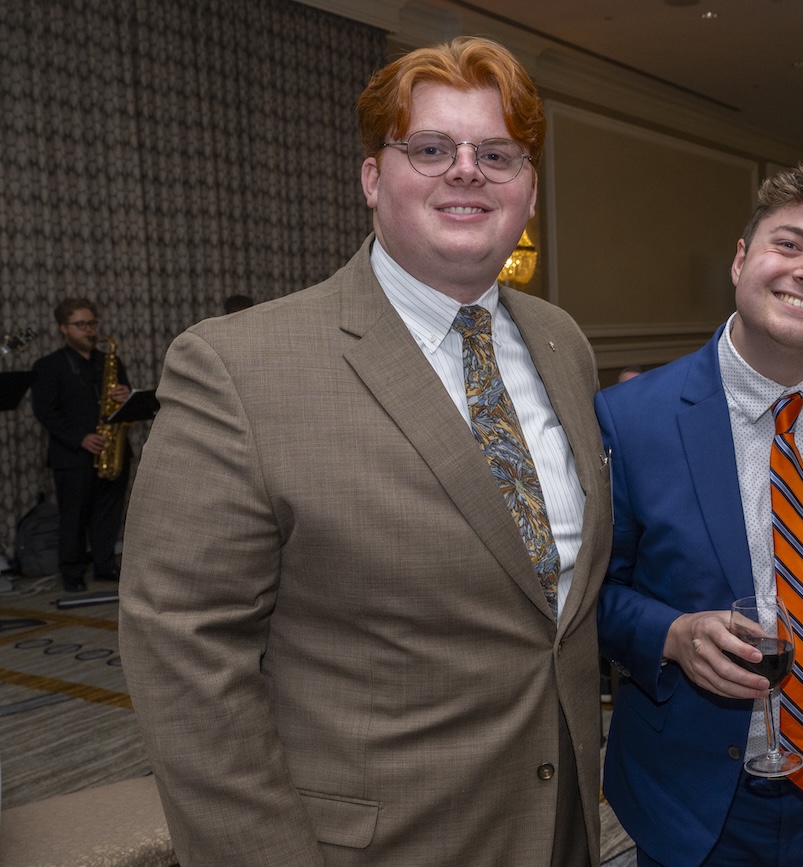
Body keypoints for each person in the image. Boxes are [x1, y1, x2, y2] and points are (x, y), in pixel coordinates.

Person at [118, 37, 612, 866]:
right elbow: (185, 659)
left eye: (497, 154)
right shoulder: (238, 366)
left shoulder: (562, 343)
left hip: (560, 823)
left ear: (528, 190)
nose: (467, 171)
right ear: (373, 179)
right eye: (430, 148)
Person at [598, 164, 803, 866]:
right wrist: (671, 633)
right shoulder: (631, 419)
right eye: (789, 245)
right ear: (742, 261)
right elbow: (589, 596)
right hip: (698, 799)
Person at [29, 298, 131, 591]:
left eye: (92, 323)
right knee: (74, 517)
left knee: (108, 514)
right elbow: (45, 412)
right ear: (64, 328)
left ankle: (104, 565)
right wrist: (81, 438)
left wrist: (126, 396)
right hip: (73, 455)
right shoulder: (48, 366)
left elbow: (122, 408)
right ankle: (72, 572)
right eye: (81, 324)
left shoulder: (109, 361)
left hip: (112, 450)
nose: (89, 330)